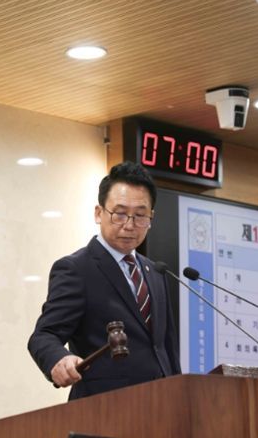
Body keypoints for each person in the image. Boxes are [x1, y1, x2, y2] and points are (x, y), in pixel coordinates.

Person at [28, 162, 181, 400]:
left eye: (140, 216)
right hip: (104, 406)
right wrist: (59, 359)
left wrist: (179, 395)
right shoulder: (76, 269)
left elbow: (166, 347)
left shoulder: (155, 272)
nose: (129, 225)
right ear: (99, 213)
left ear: (151, 217)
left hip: (160, 404)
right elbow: (44, 335)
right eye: (119, 214)